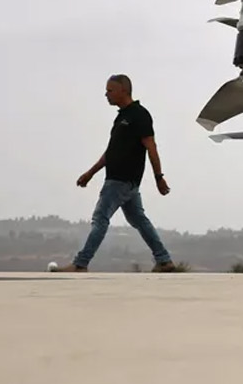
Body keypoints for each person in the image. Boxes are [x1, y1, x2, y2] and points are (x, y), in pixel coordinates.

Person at [53, 74, 177, 272]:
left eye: (110, 90)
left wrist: (159, 177)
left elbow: (151, 148)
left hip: (121, 180)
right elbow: (111, 153)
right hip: (124, 182)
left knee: (100, 219)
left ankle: (80, 263)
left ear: (123, 90)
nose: (106, 94)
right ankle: (164, 260)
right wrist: (90, 173)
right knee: (138, 220)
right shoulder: (121, 117)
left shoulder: (139, 115)